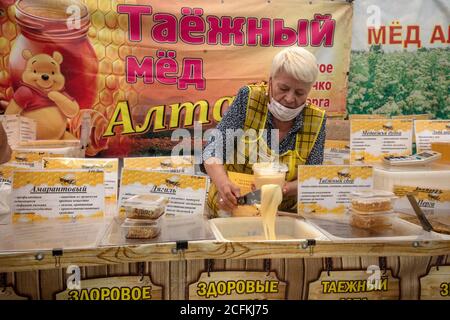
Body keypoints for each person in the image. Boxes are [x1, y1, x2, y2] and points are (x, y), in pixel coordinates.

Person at [202, 47, 326, 217]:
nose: (290, 98)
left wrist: (286, 188)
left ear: (309, 91)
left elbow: (313, 176)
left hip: (280, 215)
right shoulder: (249, 99)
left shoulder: (316, 120)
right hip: (229, 210)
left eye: (299, 93)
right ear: (270, 81)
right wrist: (224, 184)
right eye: (283, 88)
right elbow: (213, 150)